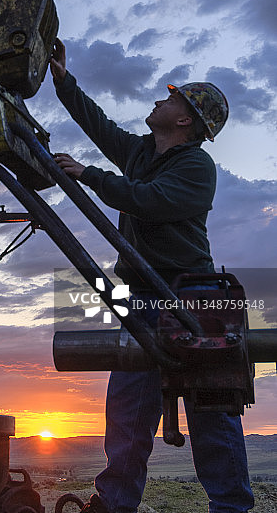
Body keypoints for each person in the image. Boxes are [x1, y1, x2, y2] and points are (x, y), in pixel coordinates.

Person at [50, 38, 253, 513]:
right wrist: (63, 80)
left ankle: (232, 508)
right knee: (127, 413)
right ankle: (115, 504)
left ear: (185, 120)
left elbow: (150, 201)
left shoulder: (196, 166)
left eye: (172, 96)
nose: (161, 98)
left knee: (213, 414)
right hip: (141, 294)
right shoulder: (142, 152)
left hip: (194, 297)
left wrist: (87, 174)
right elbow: (100, 127)